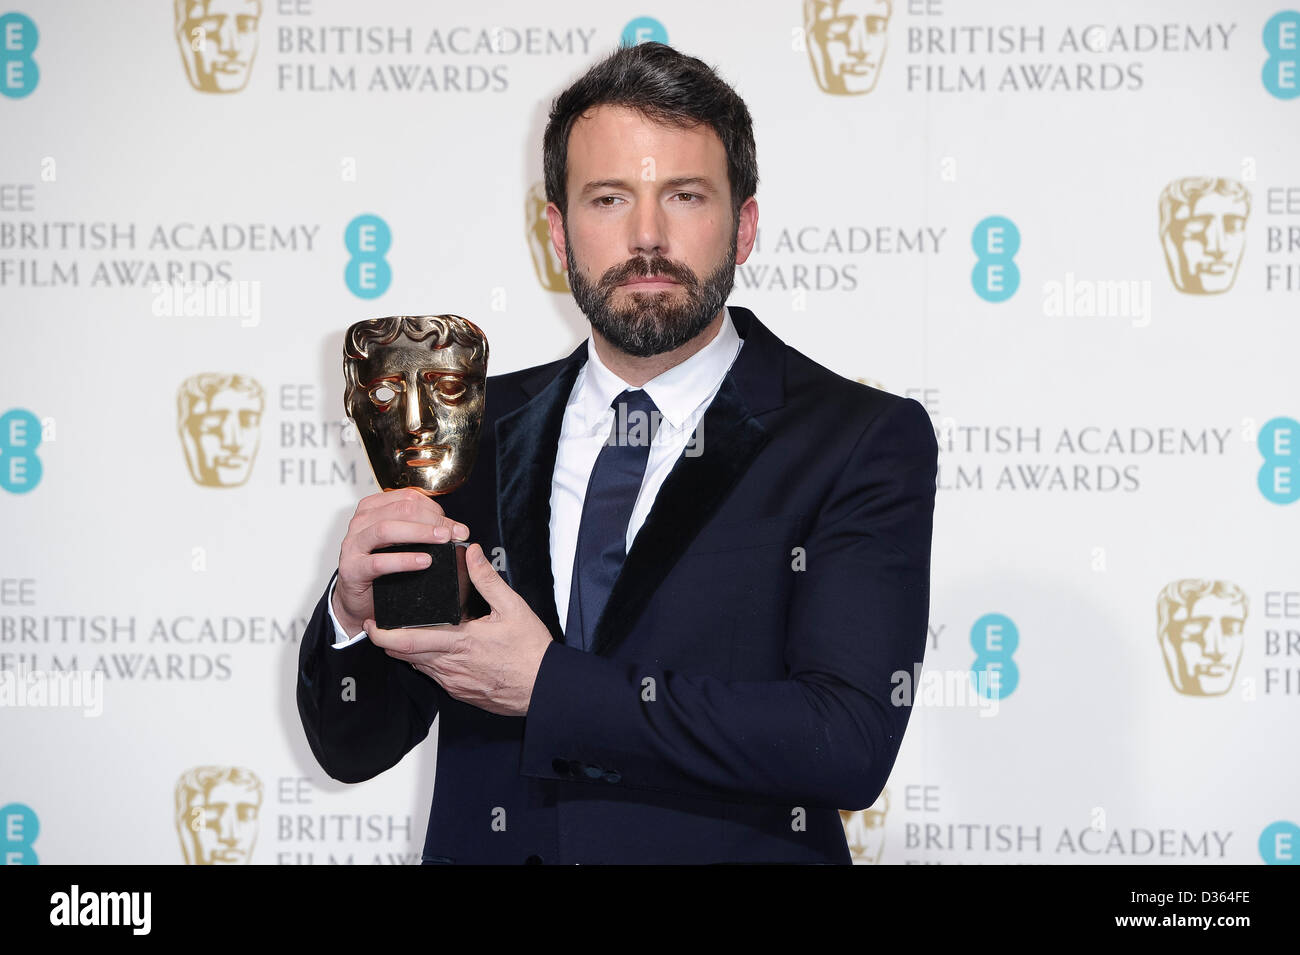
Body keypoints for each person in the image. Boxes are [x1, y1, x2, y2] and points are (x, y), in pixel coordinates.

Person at [296, 41, 937, 864]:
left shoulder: (857, 440)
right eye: (608, 198)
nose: (645, 235)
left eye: (684, 195)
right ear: (558, 231)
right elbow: (354, 746)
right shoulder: (472, 431)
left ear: (743, 224)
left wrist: (549, 687)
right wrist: (351, 615)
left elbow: (847, 740)